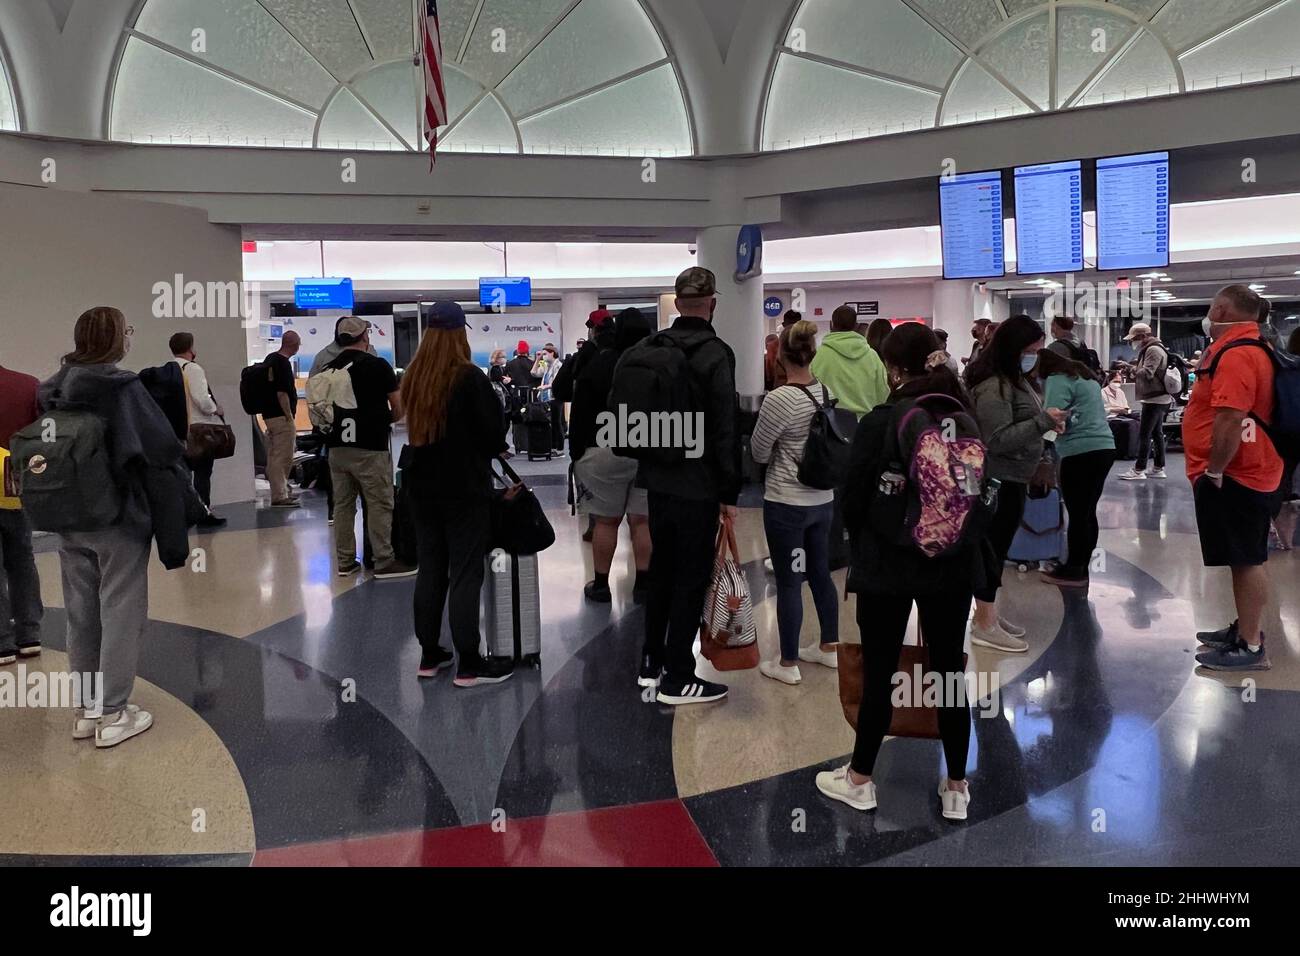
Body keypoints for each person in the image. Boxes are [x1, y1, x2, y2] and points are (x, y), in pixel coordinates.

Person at [817, 323, 976, 820]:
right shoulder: (962, 415)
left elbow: (854, 496)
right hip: (952, 564)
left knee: (880, 668)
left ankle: (861, 778)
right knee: (949, 669)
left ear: (892, 368)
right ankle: (955, 786)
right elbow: (976, 495)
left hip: (888, 564)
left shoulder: (883, 420)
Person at [39, 307, 197, 747]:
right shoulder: (121, 387)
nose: (129, 337)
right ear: (114, 338)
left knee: (81, 612)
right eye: (126, 330)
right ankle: (114, 713)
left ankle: (86, 711)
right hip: (119, 516)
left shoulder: (52, 388)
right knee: (121, 609)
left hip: (68, 515)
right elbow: (160, 445)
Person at [640, 267, 740, 705]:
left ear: (677, 304)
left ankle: (651, 662)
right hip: (697, 485)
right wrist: (729, 493)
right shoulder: (717, 353)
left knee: (662, 569)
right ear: (712, 303)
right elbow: (724, 428)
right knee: (691, 577)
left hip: (658, 479)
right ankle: (679, 675)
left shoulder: (653, 346)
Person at [401, 302, 514, 687]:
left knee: (431, 568)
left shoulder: (413, 376)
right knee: (466, 572)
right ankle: (469, 662)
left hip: (420, 486)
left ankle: (430, 654)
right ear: (460, 332)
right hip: (463, 487)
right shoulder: (469, 377)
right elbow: (492, 436)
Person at [1191, 286, 1283, 672]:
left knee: (1247, 559)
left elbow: (1230, 417)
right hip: (1245, 470)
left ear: (1222, 309)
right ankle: (1245, 628)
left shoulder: (1238, 353)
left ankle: (1250, 646)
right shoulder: (1247, 347)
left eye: (1212, 310)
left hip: (1239, 474)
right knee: (1240, 556)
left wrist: (1215, 469)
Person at [967, 315, 1068, 652]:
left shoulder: (1017, 380)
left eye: (1038, 350)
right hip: (997, 479)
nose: (1035, 356)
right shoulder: (994, 386)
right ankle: (984, 621)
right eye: (1029, 350)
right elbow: (995, 439)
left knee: (997, 549)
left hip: (1015, 476)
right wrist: (1042, 422)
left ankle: (987, 614)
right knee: (992, 551)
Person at [749, 320, 840, 684]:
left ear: (780, 357)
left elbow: (758, 451)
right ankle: (829, 647)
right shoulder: (825, 391)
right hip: (823, 500)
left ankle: (787, 663)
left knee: (789, 580)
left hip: (787, 503)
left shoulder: (779, 399)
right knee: (819, 573)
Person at [572, 308, 654, 603]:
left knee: (605, 522)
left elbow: (580, 407)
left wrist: (577, 452)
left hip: (604, 449)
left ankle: (601, 585)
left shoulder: (601, 361)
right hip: (647, 448)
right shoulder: (656, 361)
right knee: (641, 521)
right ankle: (643, 584)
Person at [324, 317, 415, 580]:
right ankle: (383, 560)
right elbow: (398, 407)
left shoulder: (329, 369)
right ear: (364, 337)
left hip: (337, 448)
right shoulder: (378, 366)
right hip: (370, 447)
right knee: (379, 503)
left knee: (343, 506)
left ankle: (345, 562)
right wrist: (385, 419)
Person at [1036, 348, 1116, 588]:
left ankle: (1074, 569)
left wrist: (1039, 446)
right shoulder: (1085, 377)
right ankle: (1081, 564)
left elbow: (1053, 418)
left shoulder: (1057, 380)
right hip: (1104, 447)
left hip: (1079, 450)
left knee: (1078, 512)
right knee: (1088, 510)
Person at [0, 358, 42, 665]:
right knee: (22, 558)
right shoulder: (28, 385)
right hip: (16, 482)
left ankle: (1, 641)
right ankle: (29, 635)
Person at [169, 332, 226, 528]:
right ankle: (203, 512)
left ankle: (183, 512)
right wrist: (215, 409)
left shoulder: (169, 369)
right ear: (190, 349)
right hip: (198, 430)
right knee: (203, 472)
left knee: (183, 474)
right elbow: (202, 399)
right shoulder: (192, 369)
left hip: (177, 429)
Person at [809, 304, 889, 418]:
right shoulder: (872, 356)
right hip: (865, 424)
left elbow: (811, 393)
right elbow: (883, 394)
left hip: (831, 425)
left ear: (831, 325)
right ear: (856, 326)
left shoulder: (818, 356)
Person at [1118, 322, 1173, 481]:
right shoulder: (1155, 348)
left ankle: (1139, 469)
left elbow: (1148, 373)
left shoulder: (1153, 350)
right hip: (1157, 398)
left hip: (1155, 399)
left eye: (1134, 339)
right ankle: (1158, 467)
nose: (1132, 342)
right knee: (1156, 433)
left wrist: (1130, 368)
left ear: (1142, 336)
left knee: (1144, 434)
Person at [262, 330, 301, 508]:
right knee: (282, 457)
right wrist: (288, 416)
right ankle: (280, 495)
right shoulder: (283, 364)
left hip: (269, 415)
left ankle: (281, 491)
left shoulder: (270, 359)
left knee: (273, 455)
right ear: (293, 344)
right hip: (280, 417)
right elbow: (282, 393)